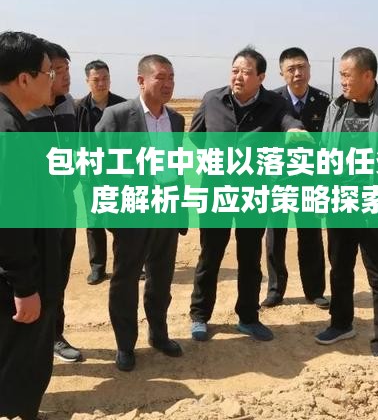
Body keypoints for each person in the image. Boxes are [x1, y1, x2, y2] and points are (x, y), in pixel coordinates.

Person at [189, 46, 304, 342]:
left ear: (261, 77)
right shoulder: (212, 99)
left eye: (246, 72)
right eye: (235, 71)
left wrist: (295, 131)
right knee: (210, 255)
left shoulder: (275, 104)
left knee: (250, 258)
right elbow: (196, 136)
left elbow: (290, 122)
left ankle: (248, 317)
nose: (238, 77)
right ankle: (200, 315)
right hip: (215, 190)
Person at [315, 47, 378, 356]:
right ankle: (341, 323)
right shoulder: (336, 108)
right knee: (339, 268)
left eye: (347, 75)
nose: (342, 81)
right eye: (341, 75)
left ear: (368, 75)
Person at [95, 54, 186, 371]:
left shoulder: (176, 120)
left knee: (161, 279)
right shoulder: (117, 116)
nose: (168, 84)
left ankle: (159, 334)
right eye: (161, 77)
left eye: (171, 77)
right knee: (125, 280)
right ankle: (125, 345)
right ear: (141, 80)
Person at [0, 31, 62, 420]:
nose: (52, 80)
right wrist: (24, 287)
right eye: (47, 72)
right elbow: (11, 221)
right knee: (18, 368)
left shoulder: (13, 121)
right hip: (16, 285)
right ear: (24, 79)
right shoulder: (9, 130)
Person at [26, 42, 83, 363]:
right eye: (58, 70)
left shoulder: (69, 106)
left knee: (58, 275)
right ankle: (28, 342)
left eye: (67, 69)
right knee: (29, 276)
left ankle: (54, 335)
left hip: (65, 205)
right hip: (34, 211)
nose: (65, 76)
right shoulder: (22, 111)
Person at [262, 47, 330, 308]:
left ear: (309, 69)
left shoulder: (325, 101)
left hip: (310, 180)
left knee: (311, 235)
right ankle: (275, 289)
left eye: (302, 67)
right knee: (275, 236)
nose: (297, 73)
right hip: (278, 179)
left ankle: (315, 290)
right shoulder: (271, 100)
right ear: (282, 73)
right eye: (291, 69)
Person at [75, 59, 126, 285]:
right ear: (88, 81)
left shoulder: (122, 107)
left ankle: (126, 264)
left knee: (121, 222)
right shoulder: (79, 108)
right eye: (96, 80)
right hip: (90, 173)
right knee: (94, 220)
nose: (101, 83)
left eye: (105, 78)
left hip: (118, 173)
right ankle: (97, 267)